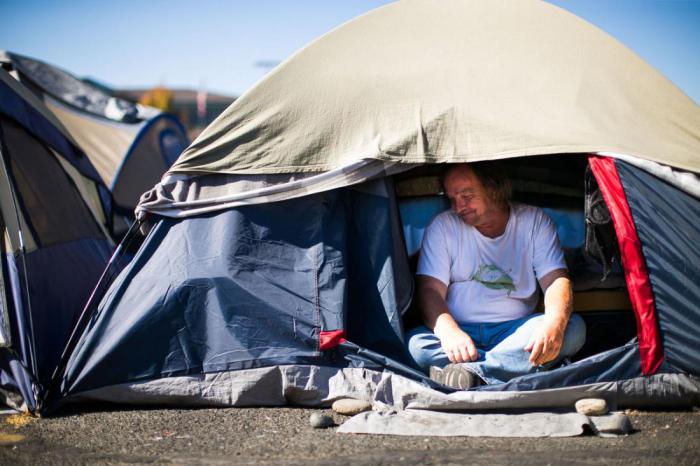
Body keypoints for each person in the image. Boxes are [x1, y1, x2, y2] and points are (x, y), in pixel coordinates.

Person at [406, 163, 585, 389]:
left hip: (516, 331)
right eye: (452, 199)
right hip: (461, 331)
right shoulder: (442, 226)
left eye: (466, 196)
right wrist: (450, 333)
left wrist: (554, 324)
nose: (458, 206)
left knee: (573, 328)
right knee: (415, 345)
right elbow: (430, 290)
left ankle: (473, 375)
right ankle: (508, 369)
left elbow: (556, 281)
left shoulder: (533, 221)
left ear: (493, 188)